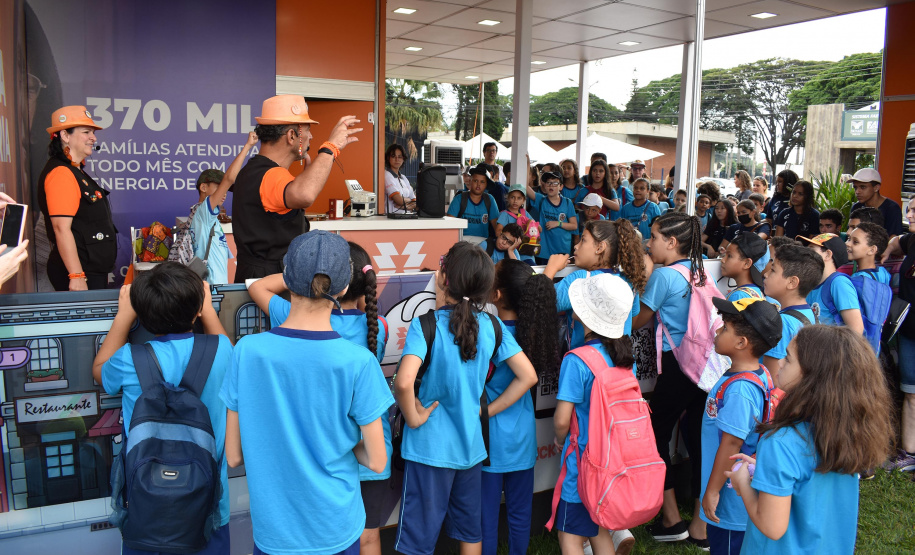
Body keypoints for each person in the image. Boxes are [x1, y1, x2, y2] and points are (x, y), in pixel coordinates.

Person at [223, 231, 391, 555]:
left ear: (286, 278)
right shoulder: (359, 361)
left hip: (274, 534)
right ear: (343, 289)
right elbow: (376, 459)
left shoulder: (246, 351)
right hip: (337, 527)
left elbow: (233, 456)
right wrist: (344, 442)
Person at [393, 242, 537, 555]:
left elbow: (404, 383)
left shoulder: (426, 325)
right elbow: (528, 376)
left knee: (417, 540)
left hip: (428, 450)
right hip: (472, 449)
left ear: (444, 276)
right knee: (470, 533)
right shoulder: (492, 325)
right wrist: (485, 412)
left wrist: (414, 417)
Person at [92, 263, 233, 555]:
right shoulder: (221, 350)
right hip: (208, 505)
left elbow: (99, 371)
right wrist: (206, 310)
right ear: (197, 310)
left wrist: (123, 315)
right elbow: (224, 343)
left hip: (146, 503)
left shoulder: (130, 359)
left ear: (142, 315)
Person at [726, 326, 894, 554]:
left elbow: (772, 527)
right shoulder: (846, 435)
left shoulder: (780, 442)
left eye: (788, 358)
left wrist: (743, 483)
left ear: (813, 376)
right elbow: (810, 483)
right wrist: (764, 469)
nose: (781, 363)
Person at [631, 212, 710, 548]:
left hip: (678, 367)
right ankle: (702, 526)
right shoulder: (699, 269)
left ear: (672, 242)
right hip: (704, 368)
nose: (649, 244)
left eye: (653, 237)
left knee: (655, 435)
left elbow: (636, 322)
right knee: (697, 439)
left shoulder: (664, 277)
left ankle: (671, 518)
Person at [553, 272, 639, 555]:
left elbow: (563, 419)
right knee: (600, 530)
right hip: (614, 460)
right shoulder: (622, 356)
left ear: (582, 314)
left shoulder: (576, 360)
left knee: (570, 537)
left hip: (583, 464)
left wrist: (558, 439)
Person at [232, 95, 361, 281]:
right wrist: (330, 148)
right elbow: (305, 194)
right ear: (292, 136)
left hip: (258, 280)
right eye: (307, 130)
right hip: (270, 288)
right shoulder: (270, 175)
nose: (311, 136)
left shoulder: (254, 171)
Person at [483, 259, 561, 555]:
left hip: (490, 438)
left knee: (486, 518)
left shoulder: (489, 332)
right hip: (523, 437)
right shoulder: (534, 330)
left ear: (497, 295)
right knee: (519, 514)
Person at [700, 298, 782, 555]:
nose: (717, 331)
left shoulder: (740, 391)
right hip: (739, 492)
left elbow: (731, 443)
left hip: (730, 498)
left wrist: (712, 492)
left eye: (724, 328)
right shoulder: (759, 373)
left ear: (741, 343)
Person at [38, 105, 116, 291]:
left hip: (91, 270)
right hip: (81, 275)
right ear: (65, 136)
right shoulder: (61, 173)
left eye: (93, 132)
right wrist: (76, 275)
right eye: (86, 132)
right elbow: (61, 228)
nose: (93, 137)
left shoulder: (75, 171)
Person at [544, 219, 647, 352]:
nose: (576, 246)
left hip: (585, 366)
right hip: (622, 365)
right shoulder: (628, 281)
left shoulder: (580, 279)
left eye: (583, 240)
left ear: (600, 248)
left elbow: (541, 303)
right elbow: (633, 320)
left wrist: (550, 269)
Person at [190, 132, 259, 285]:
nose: (224, 193)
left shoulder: (208, 216)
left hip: (215, 288)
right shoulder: (203, 212)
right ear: (203, 187)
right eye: (219, 187)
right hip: (211, 289)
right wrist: (247, 146)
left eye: (226, 190)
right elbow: (229, 179)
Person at [881, 196, 915, 473]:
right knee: (910, 391)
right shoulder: (911, 241)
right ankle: (909, 453)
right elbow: (896, 242)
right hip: (909, 331)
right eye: (910, 208)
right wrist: (886, 252)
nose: (910, 214)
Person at [761, 244, 823, 377]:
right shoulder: (810, 314)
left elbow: (772, 378)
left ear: (792, 282)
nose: (766, 274)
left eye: (773, 270)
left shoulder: (781, 323)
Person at [798, 233, 864, 333]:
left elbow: (856, 330)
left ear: (828, 255)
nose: (804, 255)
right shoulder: (812, 284)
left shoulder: (839, 283)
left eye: (811, 250)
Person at [525, 170, 578, 264]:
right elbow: (525, 186)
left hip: (562, 251)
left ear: (561, 186)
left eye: (555, 183)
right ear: (544, 186)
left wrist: (558, 223)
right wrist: (527, 164)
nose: (551, 185)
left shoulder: (567, 202)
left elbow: (574, 225)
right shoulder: (541, 200)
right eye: (548, 183)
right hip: (544, 252)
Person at [448, 166, 500, 241]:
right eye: (475, 181)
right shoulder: (459, 198)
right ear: (470, 182)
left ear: (486, 185)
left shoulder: (490, 200)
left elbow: (496, 226)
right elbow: (449, 223)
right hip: (461, 242)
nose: (478, 184)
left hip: (483, 243)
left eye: (482, 182)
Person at [848, 168, 903, 236]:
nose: (857, 192)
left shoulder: (892, 208)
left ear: (876, 188)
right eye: (855, 187)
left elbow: (894, 237)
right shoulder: (856, 207)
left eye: (863, 187)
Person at [720, 233, 773, 304]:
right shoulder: (756, 291)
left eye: (729, 256)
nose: (722, 260)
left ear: (747, 263)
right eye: (724, 255)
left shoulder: (738, 296)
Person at [384, 144, 416, 213]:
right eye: (393, 156)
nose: (397, 159)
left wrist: (406, 205)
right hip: (391, 220)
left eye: (400, 157)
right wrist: (409, 202)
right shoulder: (387, 175)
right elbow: (399, 201)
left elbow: (415, 201)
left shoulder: (403, 178)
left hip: (406, 218)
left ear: (403, 159)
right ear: (388, 158)